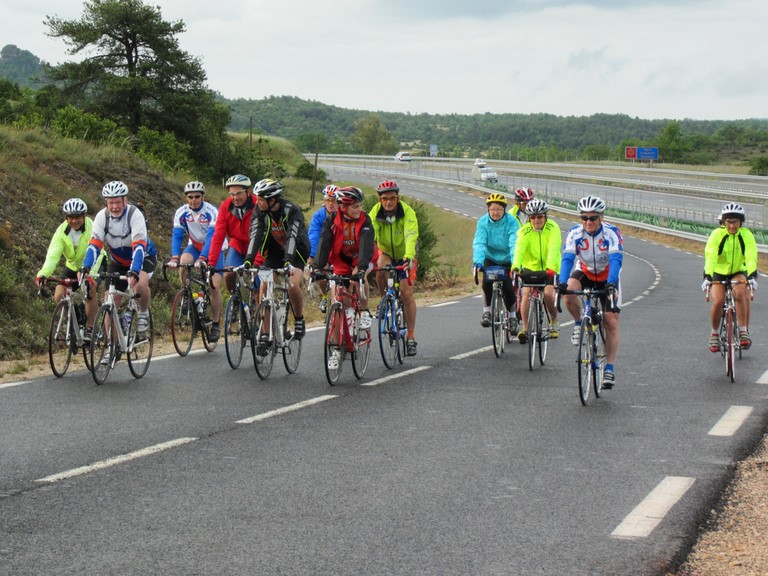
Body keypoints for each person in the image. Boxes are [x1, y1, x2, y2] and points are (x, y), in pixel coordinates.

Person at [558, 195, 623, 389]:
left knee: (610, 322)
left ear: (601, 217)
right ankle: (579, 323)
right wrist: (562, 282)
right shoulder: (575, 233)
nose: (588, 222)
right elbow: (568, 258)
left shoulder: (612, 233)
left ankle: (609, 368)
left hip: (607, 276)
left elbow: (616, 260)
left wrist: (610, 283)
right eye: (584, 218)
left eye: (593, 218)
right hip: (585, 272)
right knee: (569, 292)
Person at [80, 181, 157, 338]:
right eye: (111, 203)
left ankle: (143, 313)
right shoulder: (102, 217)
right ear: (106, 203)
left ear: (125, 201)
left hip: (143, 257)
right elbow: (94, 245)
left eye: (118, 202)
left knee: (140, 285)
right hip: (119, 261)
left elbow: (139, 248)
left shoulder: (135, 215)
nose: (114, 207)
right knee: (110, 299)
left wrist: (134, 270)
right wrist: (86, 267)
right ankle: (111, 344)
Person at [314, 186, 375, 369]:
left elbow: (366, 247)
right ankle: (336, 349)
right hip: (340, 261)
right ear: (344, 207)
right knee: (336, 303)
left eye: (360, 205)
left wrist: (360, 269)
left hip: (360, 259)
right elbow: (324, 243)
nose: (359, 209)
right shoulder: (332, 219)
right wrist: (317, 267)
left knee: (358, 278)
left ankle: (364, 310)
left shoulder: (364, 219)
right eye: (355, 206)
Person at [245, 178, 311, 340]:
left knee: (292, 284)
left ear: (272, 200)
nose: (257, 202)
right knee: (264, 285)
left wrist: (288, 260)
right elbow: (255, 234)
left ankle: (299, 319)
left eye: (261, 199)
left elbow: (292, 236)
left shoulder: (291, 210)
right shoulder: (259, 211)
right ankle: (266, 333)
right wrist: (248, 260)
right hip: (274, 253)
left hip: (296, 252)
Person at [36, 198, 103, 339]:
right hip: (73, 266)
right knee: (59, 295)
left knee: (89, 290)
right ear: (66, 217)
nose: (74, 221)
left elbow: (98, 253)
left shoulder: (92, 227)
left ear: (84, 216)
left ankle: (91, 329)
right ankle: (76, 319)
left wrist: (91, 274)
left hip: (96, 263)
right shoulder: (61, 231)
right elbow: (53, 256)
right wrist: (43, 274)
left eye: (77, 217)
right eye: (71, 217)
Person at [166, 181, 224, 341]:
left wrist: (203, 257)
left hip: (214, 248)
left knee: (213, 285)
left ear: (203, 196)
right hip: (196, 246)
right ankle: (187, 294)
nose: (194, 200)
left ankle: (216, 323)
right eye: (190, 197)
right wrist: (174, 257)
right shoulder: (181, 212)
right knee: (184, 261)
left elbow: (212, 236)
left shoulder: (212, 211)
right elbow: (177, 236)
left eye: (197, 196)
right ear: (186, 198)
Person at [370, 179, 420, 356]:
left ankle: (411, 337)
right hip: (386, 252)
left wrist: (408, 257)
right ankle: (384, 300)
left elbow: (411, 235)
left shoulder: (407, 212)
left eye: (392, 198)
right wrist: (367, 257)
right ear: (380, 200)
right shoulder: (375, 212)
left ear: (398, 198)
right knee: (380, 267)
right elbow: (370, 235)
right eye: (385, 199)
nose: (388, 202)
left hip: (406, 253)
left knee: (406, 293)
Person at [702, 202, 758, 351]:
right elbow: (711, 256)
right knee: (718, 301)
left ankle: (743, 331)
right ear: (723, 222)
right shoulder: (717, 235)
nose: (732, 226)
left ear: (741, 222)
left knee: (740, 293)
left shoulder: (746, 235)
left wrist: (752, 275)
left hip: (738, 271)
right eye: (729, 222)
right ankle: (714, 333)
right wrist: (707, 276)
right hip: (719, 271)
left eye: (736, 222)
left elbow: (751, 255)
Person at [512, 198, 562, 342]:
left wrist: (551, 267)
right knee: (526, 293)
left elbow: (554, 248)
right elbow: (519, 250)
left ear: (545, 216)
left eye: (539, 217)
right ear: (529, 218)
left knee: (548, 294)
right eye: (532, 217)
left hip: (549, 268)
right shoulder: (524, 231)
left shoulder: (553, 228)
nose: (536, 220)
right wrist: (516, 266)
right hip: (531, 267)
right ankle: (525, 329)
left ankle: (554, 320)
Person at [206, 174, 259, 298]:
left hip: (257, 246)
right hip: (237, 246)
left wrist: (256, 262)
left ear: (248, 191)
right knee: (229, 274)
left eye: (239, 193)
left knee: (258, 285)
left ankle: (258, 305)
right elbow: (218, 236)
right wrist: (212, 262)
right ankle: (236, 302)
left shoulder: (258, 204)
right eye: (232, 194)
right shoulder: (226, 206)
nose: (235, 197)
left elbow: (263, 236)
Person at [472, 193, 519, 329]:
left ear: (504, 210)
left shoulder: (512, 221)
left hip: (508, 258)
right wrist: (478, 262)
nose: (495, 212)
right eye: (492, 209)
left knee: (508, 285)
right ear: (488, 209)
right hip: (490, 257)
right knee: (487, 281)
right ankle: (486, 311)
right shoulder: (482, 222)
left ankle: (512, 316)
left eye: (499, 209)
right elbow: (479, 242)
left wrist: (515, 262)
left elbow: (514, 243)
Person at [307, 184, 339, 313]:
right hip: (324, 249)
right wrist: (313, 256)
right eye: (328, 200)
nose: (330, 204)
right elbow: (314, 236)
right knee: (320, 272)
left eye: (333, 200)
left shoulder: (343, 215)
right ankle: (325, 296)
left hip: (340, 250)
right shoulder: (319, 215)